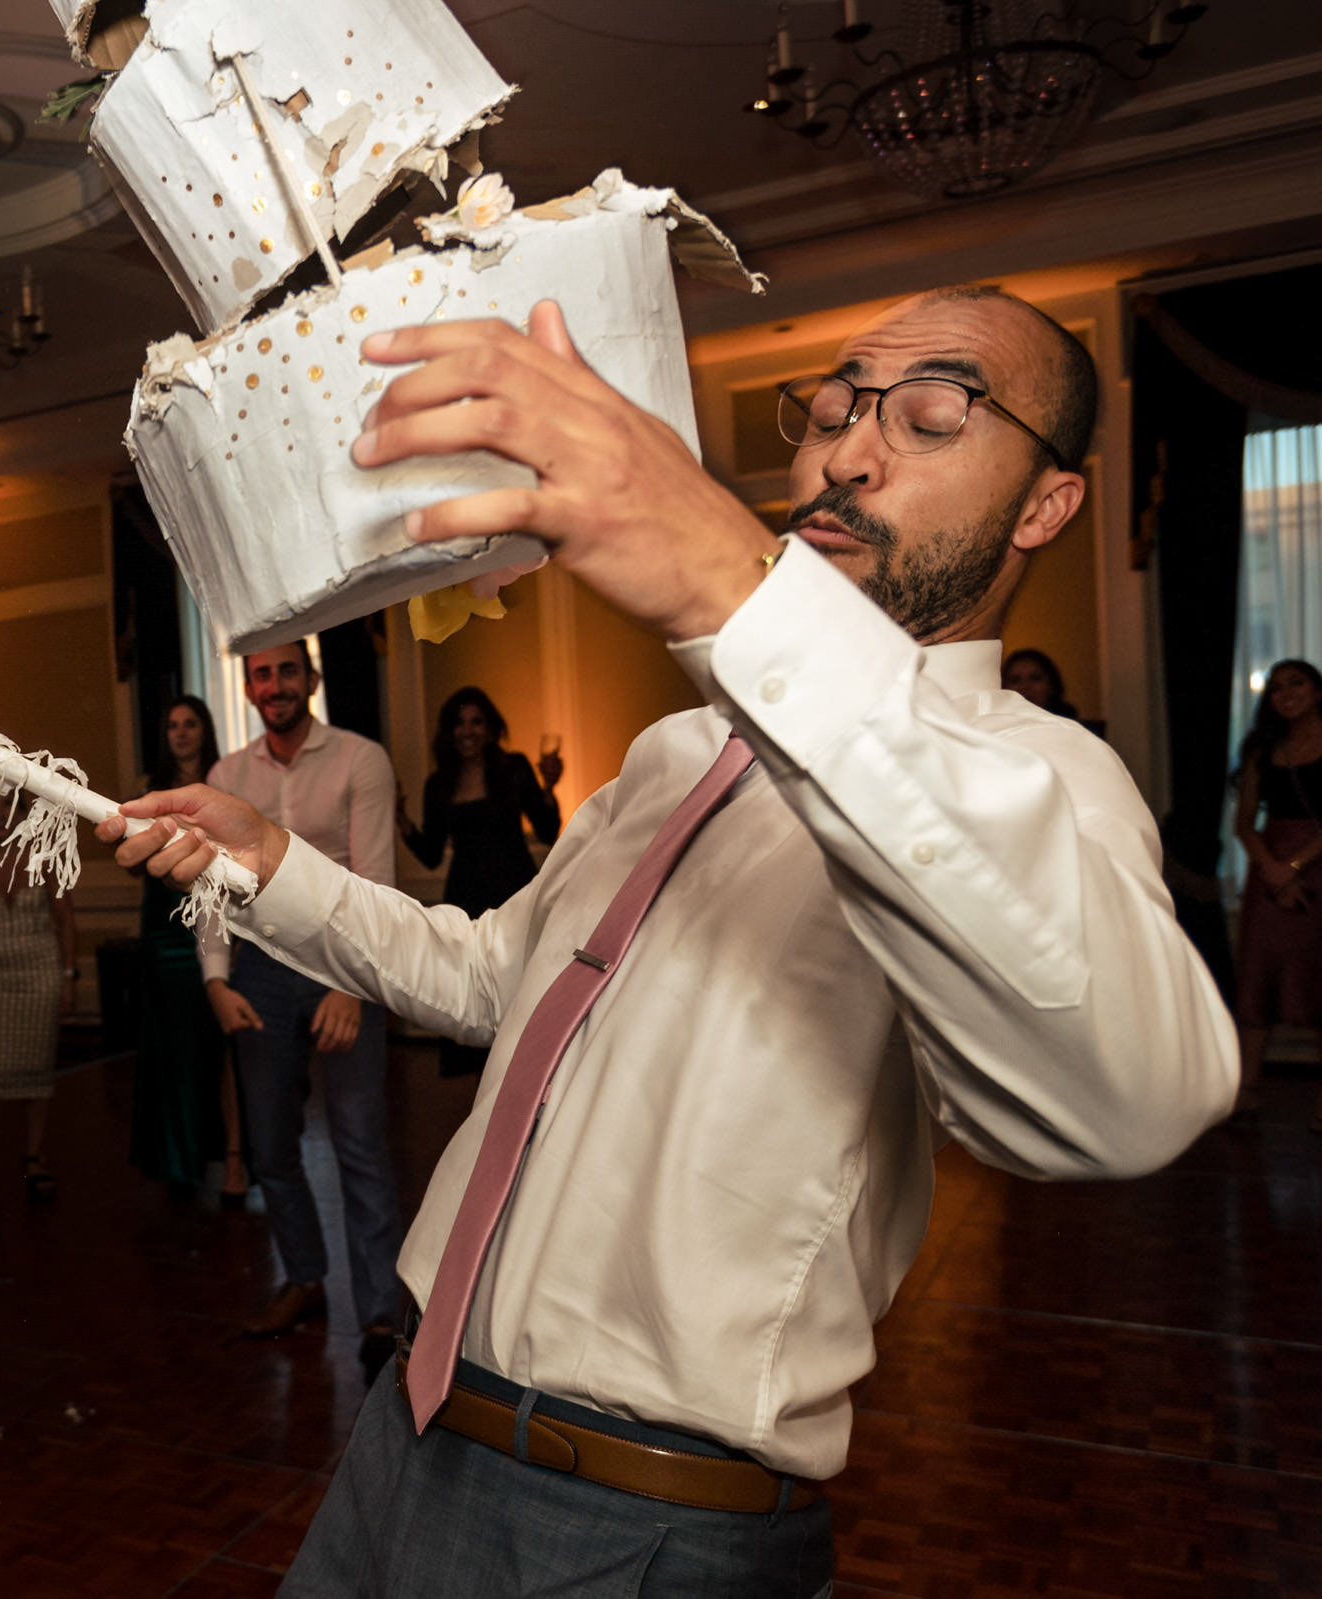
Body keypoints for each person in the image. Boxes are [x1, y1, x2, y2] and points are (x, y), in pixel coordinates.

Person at [104, 286, 1236, 1593]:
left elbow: (1131, 1097)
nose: (849, 452)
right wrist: (273, 865)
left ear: (1045, 505)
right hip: (404, 1429)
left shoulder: (1037, 780)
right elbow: (494, 977)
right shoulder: (676, 750)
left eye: (931, 419)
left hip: (639, 1519)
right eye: (834, 410)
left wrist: (729, 587)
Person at [197, 642, 404, 1349]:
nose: (275, 684)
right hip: (258, 966)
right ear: (249, 688)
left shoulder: (360, 759)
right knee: (270, 1142)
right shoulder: (226, 776)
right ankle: (304, 1278)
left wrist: (351, 985)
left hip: (339, 962)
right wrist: (215, 978)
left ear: (312, 678)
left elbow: (375, 882)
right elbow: (211, 884)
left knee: (359, 1139)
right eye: (262, 674)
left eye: (288, 670)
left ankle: (380, 1310)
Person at [396, 688, 563, 1076]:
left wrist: (549, 787)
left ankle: (528, 1080)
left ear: (490, 729)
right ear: (448, 731)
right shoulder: (439, 784)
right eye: (459, 722)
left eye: (476, 722)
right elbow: (431, 854)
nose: (467, 731)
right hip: (466, 901)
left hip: (514, 894)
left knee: (521, 990)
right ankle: (481, 1095)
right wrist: (401, 819)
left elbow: (548, 829)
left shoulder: (514, 768)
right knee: (472, 995)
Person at [129, 696, 246, 1201]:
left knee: (223, 1048)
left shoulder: (226, 788)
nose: (180, 733)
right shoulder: (148, 792)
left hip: (216, 922)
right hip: (163, 929)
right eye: (172, 725)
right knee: (172, 1049)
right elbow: (134, 866)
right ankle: (181, 1162)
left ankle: (235, 1160)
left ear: (205, 730)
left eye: (190, 724)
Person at [0, 805, 76, 1211]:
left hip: (41, 973)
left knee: (37, 1070)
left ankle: (34, 1157)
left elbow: (65, 918)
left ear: (24, 810)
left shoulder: (46, 856)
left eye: (8, 803)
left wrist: (68, 977)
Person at [1228, 659, 1322, 1121]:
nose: (1287, 693)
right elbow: (1244, 822)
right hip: (1268, 867)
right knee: (1257, 972)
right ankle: (1247, 1089)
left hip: (1316, 863)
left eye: (1296, 683)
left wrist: (1295, 867)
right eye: (1277, 687)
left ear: (1317, 691)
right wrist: (1272, 869)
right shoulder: (1261, 748)